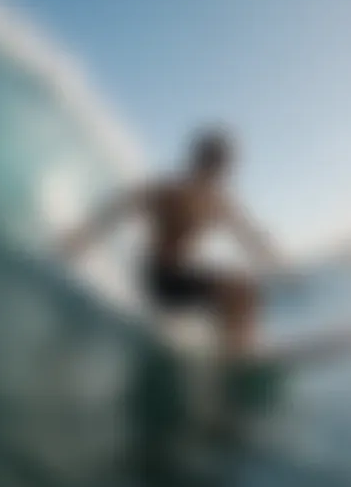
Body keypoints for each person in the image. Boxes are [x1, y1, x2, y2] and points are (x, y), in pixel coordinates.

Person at [62, 128, 282, 356]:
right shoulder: (169, 190)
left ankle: (237, 352)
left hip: (182, 277)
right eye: (218, 163)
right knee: (238, 290)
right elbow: (121, 206)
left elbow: (248, 234)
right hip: (159, 278)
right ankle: (237, 357)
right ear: (203, 160)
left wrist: (276, 262)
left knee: (245, 292)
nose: (222, 171)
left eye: (224, 165)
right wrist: (81, 239)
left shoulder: (217, 202)